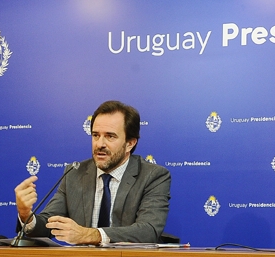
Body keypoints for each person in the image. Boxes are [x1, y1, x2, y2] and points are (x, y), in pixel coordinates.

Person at [14, 100, 171, 245]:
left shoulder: (153, 176)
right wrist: (26, 215)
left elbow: (148, 231)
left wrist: (89, 235)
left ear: (130, 143)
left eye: (110, 136)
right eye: (96, 135)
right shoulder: (74, 173)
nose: (100, 144)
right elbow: (49, 224)